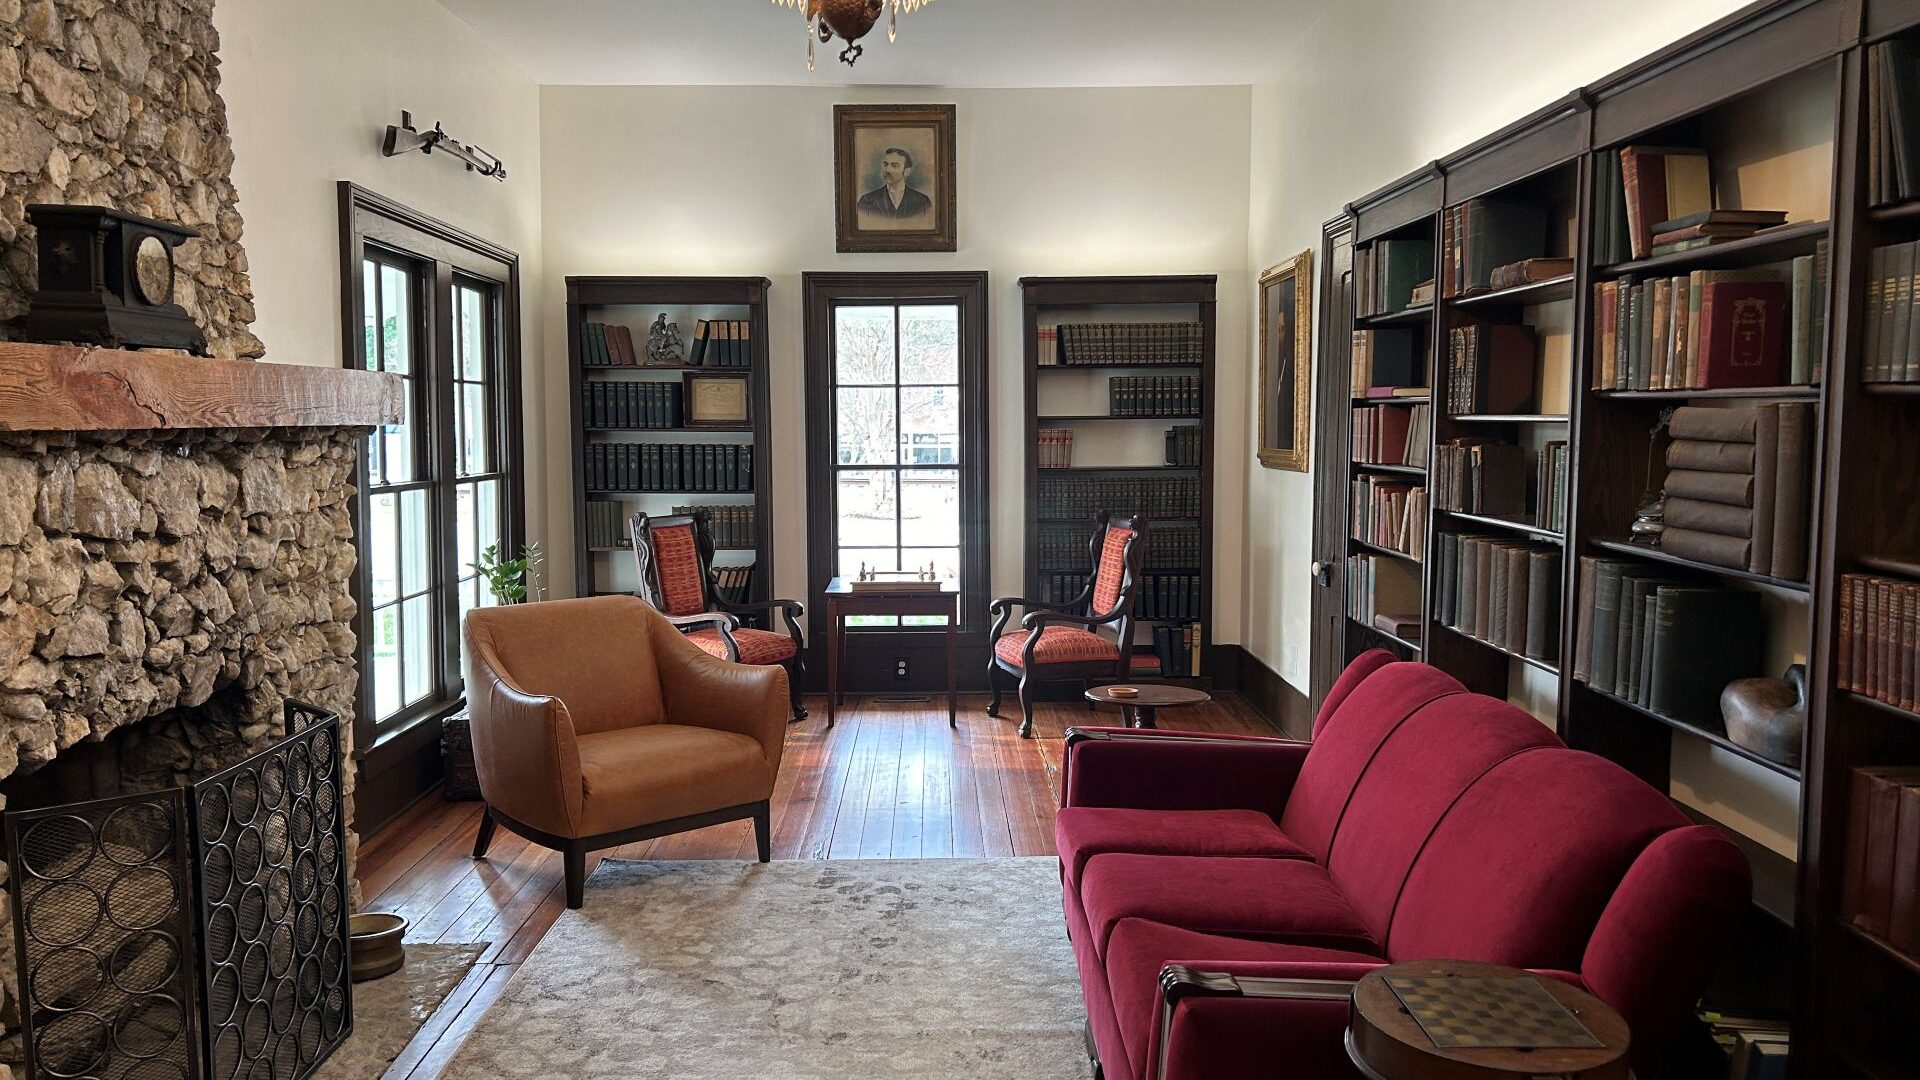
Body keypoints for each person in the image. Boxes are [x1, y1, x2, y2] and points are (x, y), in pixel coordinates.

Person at [856, 147, 933, 223]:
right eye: (885, 164)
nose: (887, 170)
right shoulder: (867, 201)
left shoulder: (922, 201)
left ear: (906, 171)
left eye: (894, 165)